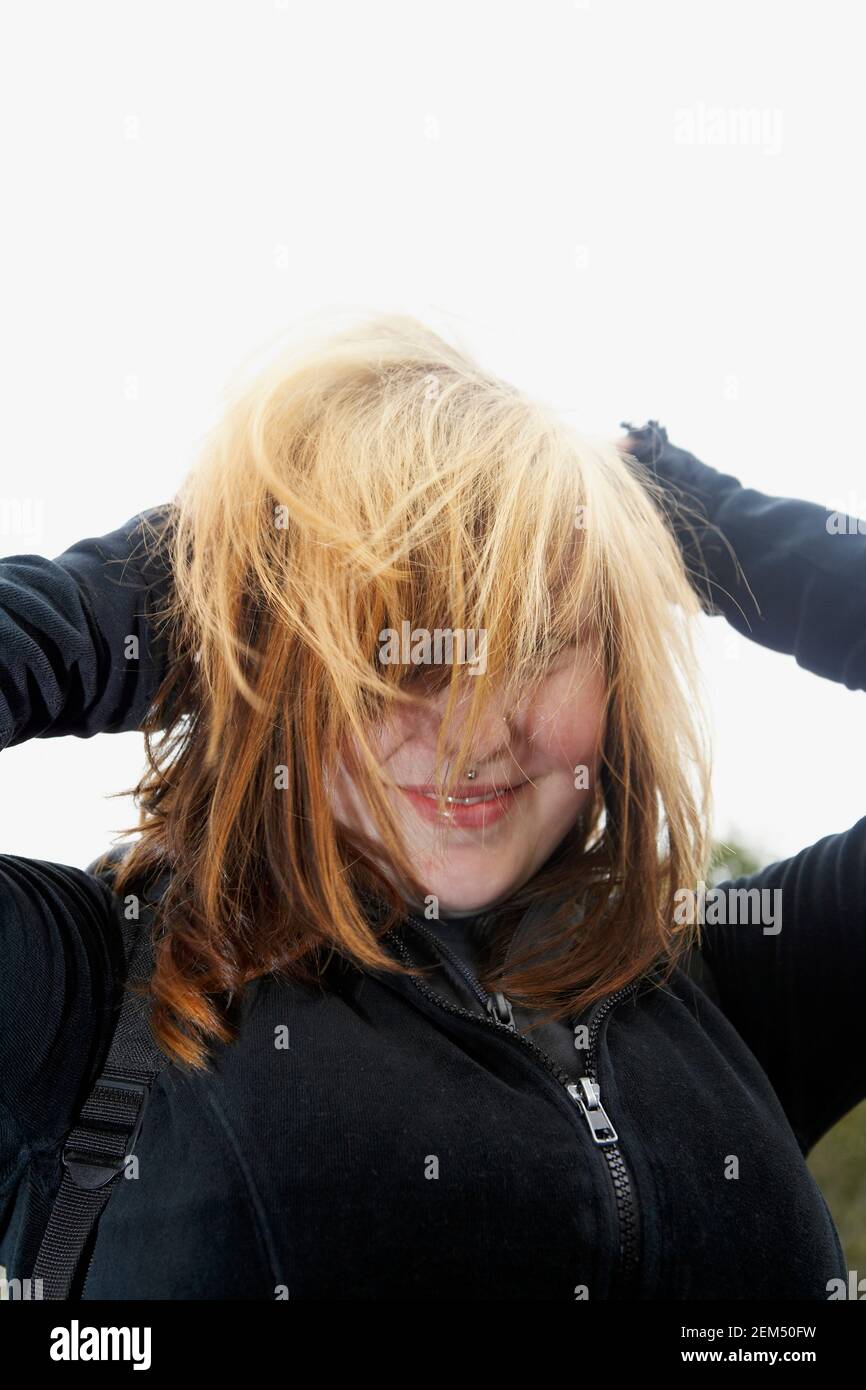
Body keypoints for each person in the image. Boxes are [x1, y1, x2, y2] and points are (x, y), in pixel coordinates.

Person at [0, 315, 863, 1300]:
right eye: (388, 645)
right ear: (278, 660)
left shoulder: (733, 988)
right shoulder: (75, 995)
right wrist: (183, 580)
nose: (473, 735)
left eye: (539, 642)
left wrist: (688, 515)